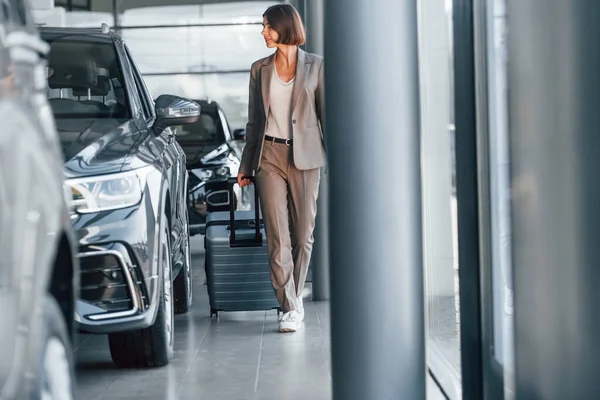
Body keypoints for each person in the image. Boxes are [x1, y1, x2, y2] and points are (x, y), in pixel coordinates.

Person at [237, 3, 326, 333]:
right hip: (268, 157)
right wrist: (247, 164)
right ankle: (288, 304)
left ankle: (295, 294)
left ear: (285, 27)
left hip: (306, 158)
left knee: (303, 236)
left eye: (268, 27)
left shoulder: (316, 67)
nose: (263, 32)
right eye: (263, 27)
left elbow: (325, 116)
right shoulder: (259, 69)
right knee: (278, 236)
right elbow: (253, 121)